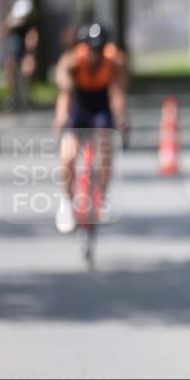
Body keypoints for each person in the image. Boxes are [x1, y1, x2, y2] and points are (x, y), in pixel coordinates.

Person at [53, 23, 128, 234]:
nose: (95, 53)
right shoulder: (73, 61)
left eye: (99, 48)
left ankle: (102, 196)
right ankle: (67, 204)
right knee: (68, 157)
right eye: (91, 48)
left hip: (102, 106)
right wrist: (61, 117)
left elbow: (118, 93)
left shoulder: (115, 61)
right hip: (80, 107)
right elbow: (65, 92)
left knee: (106, 147)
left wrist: (122, 119)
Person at [2, 0, 39, 112]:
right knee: (10, 67)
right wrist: (10, 24)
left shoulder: (31, 23)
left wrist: (30, 53)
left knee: (28, 68)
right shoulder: (12, 20)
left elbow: (33, 38)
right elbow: (3, 34)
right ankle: (12, 96)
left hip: (26, 51)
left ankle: (27, 94)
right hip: (14, 51)